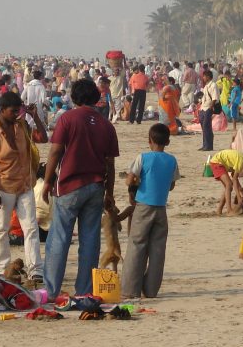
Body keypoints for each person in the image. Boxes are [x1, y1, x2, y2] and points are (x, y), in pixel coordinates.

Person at [42, 78, 119, 298]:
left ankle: (51, 290)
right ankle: (84, 289)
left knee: (59, 239)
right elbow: (110, 163)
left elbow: (55, 152)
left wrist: (47, 181)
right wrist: (110, 192)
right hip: (96, 186)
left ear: (74, 97)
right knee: (90, 241)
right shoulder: (106, 124)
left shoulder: (67, 119)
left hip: (69, 185)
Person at [0, 92, 47, 289]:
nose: (16, 114)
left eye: (18, 111)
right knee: (2, 229)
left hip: (26, 184)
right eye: (13, 111)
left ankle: (35, 268)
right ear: (2, 111)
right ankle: (1, 268)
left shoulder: (22, 126)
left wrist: (34, 116)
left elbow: (43, 137)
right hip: (5, 186)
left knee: (31, 227)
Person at [121, 123, 179, 299]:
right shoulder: (172, 160)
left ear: (149, 140)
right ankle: (151, 290)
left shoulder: (143, 157)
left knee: (137, 246)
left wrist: (137, 182)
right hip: (161, 208)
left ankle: (130, 289)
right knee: (157, 249)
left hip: (143, 206)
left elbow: (129, 180)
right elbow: (172, 185)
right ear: (167, 141)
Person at [198, 70, 218, 152]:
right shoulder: (206, 86)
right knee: (204, 126)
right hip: (203, 107)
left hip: (208, 108)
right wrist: (200, 102)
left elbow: (215, 97)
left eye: (204, 76)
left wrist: (211, 107)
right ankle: (205, 145)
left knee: (207, 126)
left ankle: (209, 146)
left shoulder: (213, 85)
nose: (203, 78)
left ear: (208, 77)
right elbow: (204, 96)